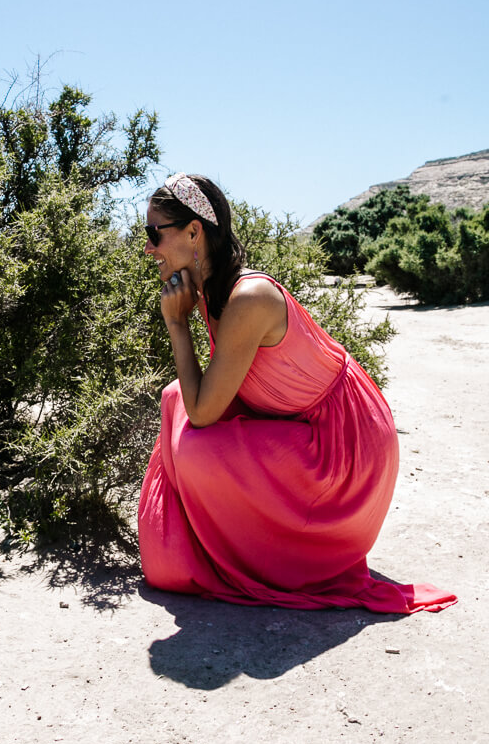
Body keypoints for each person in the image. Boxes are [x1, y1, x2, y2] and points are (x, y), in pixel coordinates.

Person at [138, 172, 456, 613]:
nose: (148, 246)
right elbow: (195, 399)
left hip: (345, 448)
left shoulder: (249, 297)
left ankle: (262, 561)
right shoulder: (212, 290)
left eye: (155, 233)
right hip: (307, 424)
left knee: (196, 447)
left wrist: (176, 325)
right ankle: (206, 550)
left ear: (194, 232)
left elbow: (206, 412)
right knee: (175, 398)